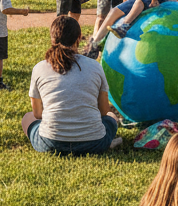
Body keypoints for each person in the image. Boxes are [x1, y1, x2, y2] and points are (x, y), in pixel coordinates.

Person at [22, 16, 122, 154]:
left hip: (51, 143)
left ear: (52, 38)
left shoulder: (39, 68)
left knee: (28, 117)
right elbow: (104, 111)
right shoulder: (94, 66)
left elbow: (37, 114)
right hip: (94, 143)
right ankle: (108, 141)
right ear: (79, 38)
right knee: (112, 117)